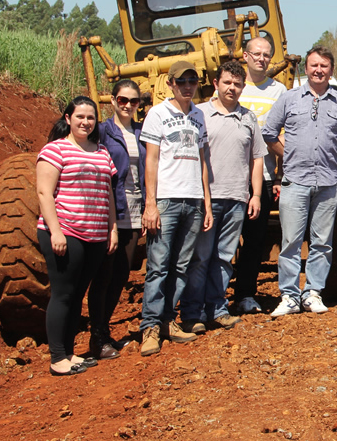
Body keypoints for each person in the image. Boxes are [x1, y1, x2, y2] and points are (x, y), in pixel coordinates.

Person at [263, 46, 337, 317]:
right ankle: (290, 296)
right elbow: (270, 133)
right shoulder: (289, 99)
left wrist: (330, 157)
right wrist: (289, 155)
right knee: (291, 240)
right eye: (314, 65)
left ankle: (313, 292)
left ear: (331, 70)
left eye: (324, 66)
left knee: (322, 242)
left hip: (328, 182)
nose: (318, 70)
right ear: (306, 68)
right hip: (295, 181)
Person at [181, 61, 266, 331]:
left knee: (223, 257)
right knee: (200, 257)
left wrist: (255, 195)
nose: (232, 88)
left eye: (238, 84)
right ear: (216, 83)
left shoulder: (248, 117)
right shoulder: (200, 113)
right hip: (206, 198)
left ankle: (217, 308)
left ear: (243, 87)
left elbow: (257, 159)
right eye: (227, 82)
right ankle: (193, 313)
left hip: (237, 199)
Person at [36, 97, 118, 375]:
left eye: (91, 118)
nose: (86, 122)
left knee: (77, 294)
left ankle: (69, 354)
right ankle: (58, 357)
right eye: (80, 116)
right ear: (68, 118)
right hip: (65, 232)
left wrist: (112, 228)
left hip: (95, 235)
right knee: (63, 294)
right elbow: (44, 193)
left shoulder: (102, 152)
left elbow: (107, 194)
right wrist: (56, 230)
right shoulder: (55, 150)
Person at [138, 60, 213, 356]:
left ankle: (169, 321)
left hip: (193, 201)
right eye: (182, 81)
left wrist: (206, 204)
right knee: (158, 267)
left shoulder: (198, 116)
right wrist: (151, 204)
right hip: (167, 201)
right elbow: (151, 161)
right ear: (170, 83)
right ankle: (151, 327)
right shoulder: (157, 114)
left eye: (192, 81)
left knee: (181, 267)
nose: (187, 86)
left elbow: (203, 162)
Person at [88, 80, 146, 360]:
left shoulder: (141, 131)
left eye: (133, 101)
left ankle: (104, 331)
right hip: (110, 210)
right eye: (122, 100)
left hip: (135, 211)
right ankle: (97, 338)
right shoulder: (101, 131)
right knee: (103, 276)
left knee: (121, 275)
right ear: (112, 101)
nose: (127, 106)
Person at [233, 36, 286, 314]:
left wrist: (279, 177)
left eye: (266, 55)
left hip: (263, 177)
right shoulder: (232, 87)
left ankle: (244, 294)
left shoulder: (279, 91)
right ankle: (212, 297)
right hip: (228, 180)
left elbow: (284, 137)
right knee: (222, 241)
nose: (261, 58)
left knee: (254, 240)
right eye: (256, 53)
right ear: (245, 55)